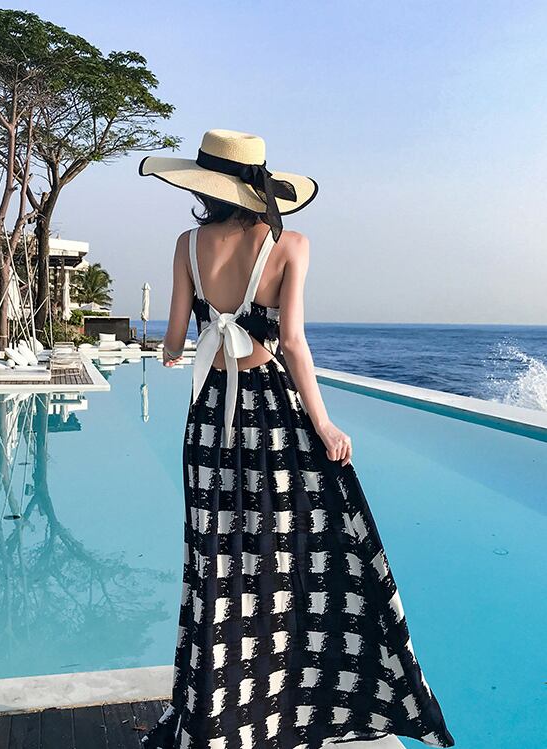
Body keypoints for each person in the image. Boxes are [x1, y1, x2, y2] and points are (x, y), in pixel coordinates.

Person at [138, 129, 454, 748]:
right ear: (259, 185)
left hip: (209, 420)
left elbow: (173, 342)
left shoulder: (186, 245)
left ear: (206, 186)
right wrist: (325, 423)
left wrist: (190, 341)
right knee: (288, 557)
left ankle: (215, 712)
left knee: (215, 562)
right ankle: (282, 704)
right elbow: (295, 345)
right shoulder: (290, 245)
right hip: (273, 417)